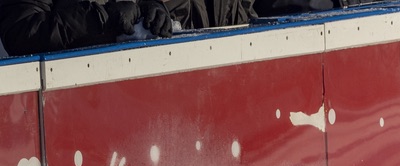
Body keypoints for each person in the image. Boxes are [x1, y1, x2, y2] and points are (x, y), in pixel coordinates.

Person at [0, 0, 255, 56]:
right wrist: (101, 19)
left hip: (145, 113)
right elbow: (21, 32)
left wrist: (154, 10)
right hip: (72, 115)